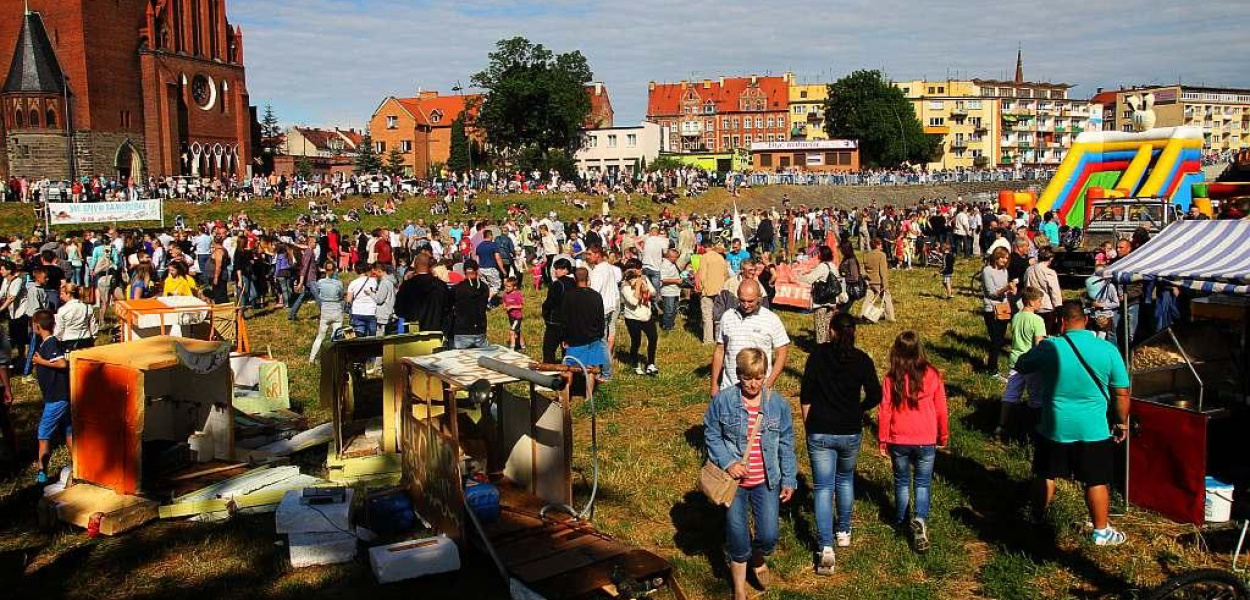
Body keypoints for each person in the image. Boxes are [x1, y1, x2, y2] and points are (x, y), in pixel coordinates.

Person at [1016, 300, 1130, 546]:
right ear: (1086, 320)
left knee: (1045, 473)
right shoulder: (1107, 349)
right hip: (1094, 428)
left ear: (1060, 321)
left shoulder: (1051, 347)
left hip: (1054, 425)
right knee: (1096, 479)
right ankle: (1101, 531)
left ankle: (1036, 518)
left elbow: (1021, 364)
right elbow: (1121, 392)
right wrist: (1122, 423)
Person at [703, 347, 796, 600]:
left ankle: (757, 555)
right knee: (737, 535)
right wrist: (728, 462)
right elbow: (711, 433)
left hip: (766, 480)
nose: (753, 384)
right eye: (747, 378)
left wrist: (789, 478)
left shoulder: (777, 404)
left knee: (768, 535)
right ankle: (740, 590)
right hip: (734, 484)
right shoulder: (723, 400)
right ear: (738, 375)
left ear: (765, 375)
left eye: (758, 378)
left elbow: (787, 442)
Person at [800, 313, 881, 574]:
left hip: (821, 428)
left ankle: (825, 546)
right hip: (849, 429)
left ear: (831, 331)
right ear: (853, 332)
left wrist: (808, 421)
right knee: (845, 479)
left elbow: (806, 391)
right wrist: (860, 409)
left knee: (823, 487)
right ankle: (843, 530)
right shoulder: (861, 360)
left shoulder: (818, 355)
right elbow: (876, 394)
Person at [878, 330, 948, 553]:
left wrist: (883, 439)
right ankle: (920, 518)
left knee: (901, 481)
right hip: (926, 437)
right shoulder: (932, 374)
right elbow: (941, 409)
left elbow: (884, 410)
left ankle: (900, 519)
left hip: (899, 437)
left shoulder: (892, 377)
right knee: (922, 483)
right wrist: (943, 434)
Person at [710, 280, 790, 398]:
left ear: (759, 297)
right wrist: (714, 384)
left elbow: (782, 353)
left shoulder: (771, 319)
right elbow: (720, 350)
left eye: (750, 301)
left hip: (758, 390)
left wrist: (768, 383)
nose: (746, 305)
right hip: (729, 388)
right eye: (742, 300)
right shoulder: (727, 317)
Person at [997, 287, 1047, 438]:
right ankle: (1034, 427)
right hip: (1030, 363)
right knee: (1036, 397)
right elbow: (1038, 345)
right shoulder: (1037, 320)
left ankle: (1001, 425)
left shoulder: (1017, 316)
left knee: (1011, 394)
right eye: (1039, 301)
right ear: (1031, 302)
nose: (1040, 304)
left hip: (1015, 360)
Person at [31, 309, 71, 484]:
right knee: (68, 431)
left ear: (37, 325)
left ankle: (42, 473)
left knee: (43, 434)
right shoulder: (47, 343)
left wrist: (41, 362)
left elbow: (62, 363)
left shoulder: (50, 344)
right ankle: (78, 464)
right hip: (60, 396)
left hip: (56, 398)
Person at [561, 267, 608, 377]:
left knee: (569, 369)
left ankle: (566, 393)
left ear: (574, 279)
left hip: (574, 338)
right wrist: (600, 334)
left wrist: (564, 337)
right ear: (588, 278)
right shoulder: (596, 296)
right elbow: (600, 318)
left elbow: (564, 318)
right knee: (591, 369)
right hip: (593, 337)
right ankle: (589, 393)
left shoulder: (568, 295)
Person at [586, 245, 621, 378]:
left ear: (597, 254)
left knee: (600, 343)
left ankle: (606, 373)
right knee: (605, 339)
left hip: (602, 309)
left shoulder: (599, 271)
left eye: (589, 254)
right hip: (611, 305)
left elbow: (593, 293)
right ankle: (601, 368)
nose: (587, 257)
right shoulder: (608, 267)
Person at [619, 258, 658, 376]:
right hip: (633, 318)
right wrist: (638, 287)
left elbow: (653, 292)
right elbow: (634, 302)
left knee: (653, 337)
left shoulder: (644, 279)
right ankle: (635, 363)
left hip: (646, 315)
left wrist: (643, 288)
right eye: (638, 268)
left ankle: (651, 363)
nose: (641, 270)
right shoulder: (625, 286)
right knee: (636, 341)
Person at [395, 254, 449, 336]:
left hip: (413, 334)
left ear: (416, 265)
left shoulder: (407, 286)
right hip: (436, 332)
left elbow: (399, 310)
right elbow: (447, 308)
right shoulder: (440, 285)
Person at [980, 248, 1014, 377]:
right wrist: (1006, 288)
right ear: (996, 257)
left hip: (1004, 307)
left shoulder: (1004, 271)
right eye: (1002, 258)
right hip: (992, 309)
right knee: (995, 340)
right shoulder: (988, 271)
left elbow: (1003, 291)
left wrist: (1010, 290)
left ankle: (992, 364)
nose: (1005, 260)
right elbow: (991, 292)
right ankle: (992, 369)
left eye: (1006, 258)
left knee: (1000, 339)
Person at [798, 245, 843, 344]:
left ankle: (821, 348)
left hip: (821, 300)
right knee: (828, 325)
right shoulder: (833, 266)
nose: (817, 254)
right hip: (831, 300)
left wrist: (799, 276)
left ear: (822, 254)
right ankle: (829, 345)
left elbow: (810, 279)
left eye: (819, 252)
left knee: (820, 326)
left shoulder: (822, 266)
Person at [540, 259, 576, 363]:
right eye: (555, 268)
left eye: (558, 269)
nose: (556, 271)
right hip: (570, 322)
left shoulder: (557, 284)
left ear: (566, 270)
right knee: (567, 349)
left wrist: (545, 314)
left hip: (555, 322)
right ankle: (568, 371)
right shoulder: (574, 283)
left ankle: (549, 373)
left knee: (549, 349)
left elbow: (549, 303)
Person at [309, 261, 345, 362]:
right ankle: (333, 358)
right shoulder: (339, 283)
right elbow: (341, 295)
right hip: (336, 310)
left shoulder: (320, 282)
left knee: (320, 336)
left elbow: (318, 294)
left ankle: (312, 358)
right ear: (335, 270)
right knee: (336, 337)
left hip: (325, 310)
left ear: (325, 270)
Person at [451, 259, 490, 349]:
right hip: (480, 330)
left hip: (462, 330)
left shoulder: (457, 288)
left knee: (462, 360)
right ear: (476, 270)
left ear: (464, 271)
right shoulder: (484, 287)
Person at [695, 242, 729, 344]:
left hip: (707, 290)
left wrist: (701, 288)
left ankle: (708, 340)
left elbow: (702, 275)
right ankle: (719, 338)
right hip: (720, 290)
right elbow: (726, 274)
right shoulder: (721, 258)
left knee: (707, 316)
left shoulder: (704, 258)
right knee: (718, 316)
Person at [1024, 247, 1063, 333]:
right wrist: (1058, 307)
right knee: (1046, 332)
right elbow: (1054, 291)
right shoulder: (1049, 272)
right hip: (1046, 305)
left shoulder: (1029, 269)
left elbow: (1026, 285)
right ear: (1051, 258)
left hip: (1032, 305)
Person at [860, 238, 895, 323]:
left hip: (869, 282)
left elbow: (862, 269)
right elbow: (883, 271)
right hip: (879, 282)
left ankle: (863, 314)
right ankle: (890, 317)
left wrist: (866, 278)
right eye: (880, 244)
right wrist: (885, 283)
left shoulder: (866, 255)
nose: (881, 246)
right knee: (886, 298)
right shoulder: (882, 255)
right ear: (877, 245)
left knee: (868, 298)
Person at [54, 284, 97, 350]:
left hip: (68, 342)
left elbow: (59, 330)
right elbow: (93, 326)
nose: (60, 296)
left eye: (62, 294)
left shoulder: (63, 310)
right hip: (86, 340)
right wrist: (93, 337)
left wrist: (56, 341)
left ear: (68, 294)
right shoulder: (88, 307)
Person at [346, 264, 379, 337]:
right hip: (371, 311)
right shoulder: (373, 281)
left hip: (357, 311)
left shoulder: (353, 283)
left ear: (356, 271)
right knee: (372, 336)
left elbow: (349, 300)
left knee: (359, 335)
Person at [658, 248, 683, 332]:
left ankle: (671, 325)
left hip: (675, 290)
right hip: (668, 291)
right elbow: (663, 279)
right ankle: (666, 327)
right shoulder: (664, 265)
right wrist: (676, 280)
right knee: (669, 310)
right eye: (675, 257)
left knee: (674, 310)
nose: (676, 259)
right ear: (670, 256)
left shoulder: (673, 264)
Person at [502, 276, 524, 351]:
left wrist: (512, 306)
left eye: (509, 286)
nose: (506, 288)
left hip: (517, 317)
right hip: (510, 317)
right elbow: (504, 303)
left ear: (514, 287)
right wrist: (505, 307)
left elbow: (521, 306)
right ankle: (523, 346)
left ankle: (512, 348)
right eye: (505, 286)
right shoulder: (505, 295)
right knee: (518, 332)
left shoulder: (517, 294)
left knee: (512, 332)